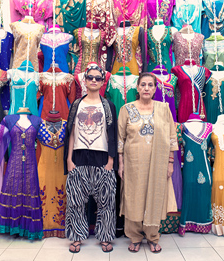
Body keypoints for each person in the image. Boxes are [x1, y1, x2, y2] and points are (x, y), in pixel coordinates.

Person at [117, 72, 179, 253]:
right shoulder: (126, 109)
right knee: (133, 198)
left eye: (150, 85)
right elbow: (120, 139)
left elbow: (171, 136)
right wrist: (120, 164)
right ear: (137, 87)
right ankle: (135, 237)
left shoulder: (163, 108)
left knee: (155, 196)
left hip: (158, 162)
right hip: (133, 163)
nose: (146, 88)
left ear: (155, 88)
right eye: (143, 84)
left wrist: (170, 162)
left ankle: (152, 236)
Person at [64, 64, 118, 253]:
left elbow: (113, 134)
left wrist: (111, 161)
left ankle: (105, 237)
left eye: (97, 78)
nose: (94, 81)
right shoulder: (77, 104)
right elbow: (70, 133)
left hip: (102, 158)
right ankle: (77, 237)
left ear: (103, 82)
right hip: (78, 158)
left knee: (107, 202)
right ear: (85, 81)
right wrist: (69, 160)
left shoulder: (108, 106)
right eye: (90, 77)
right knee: (76, 201)